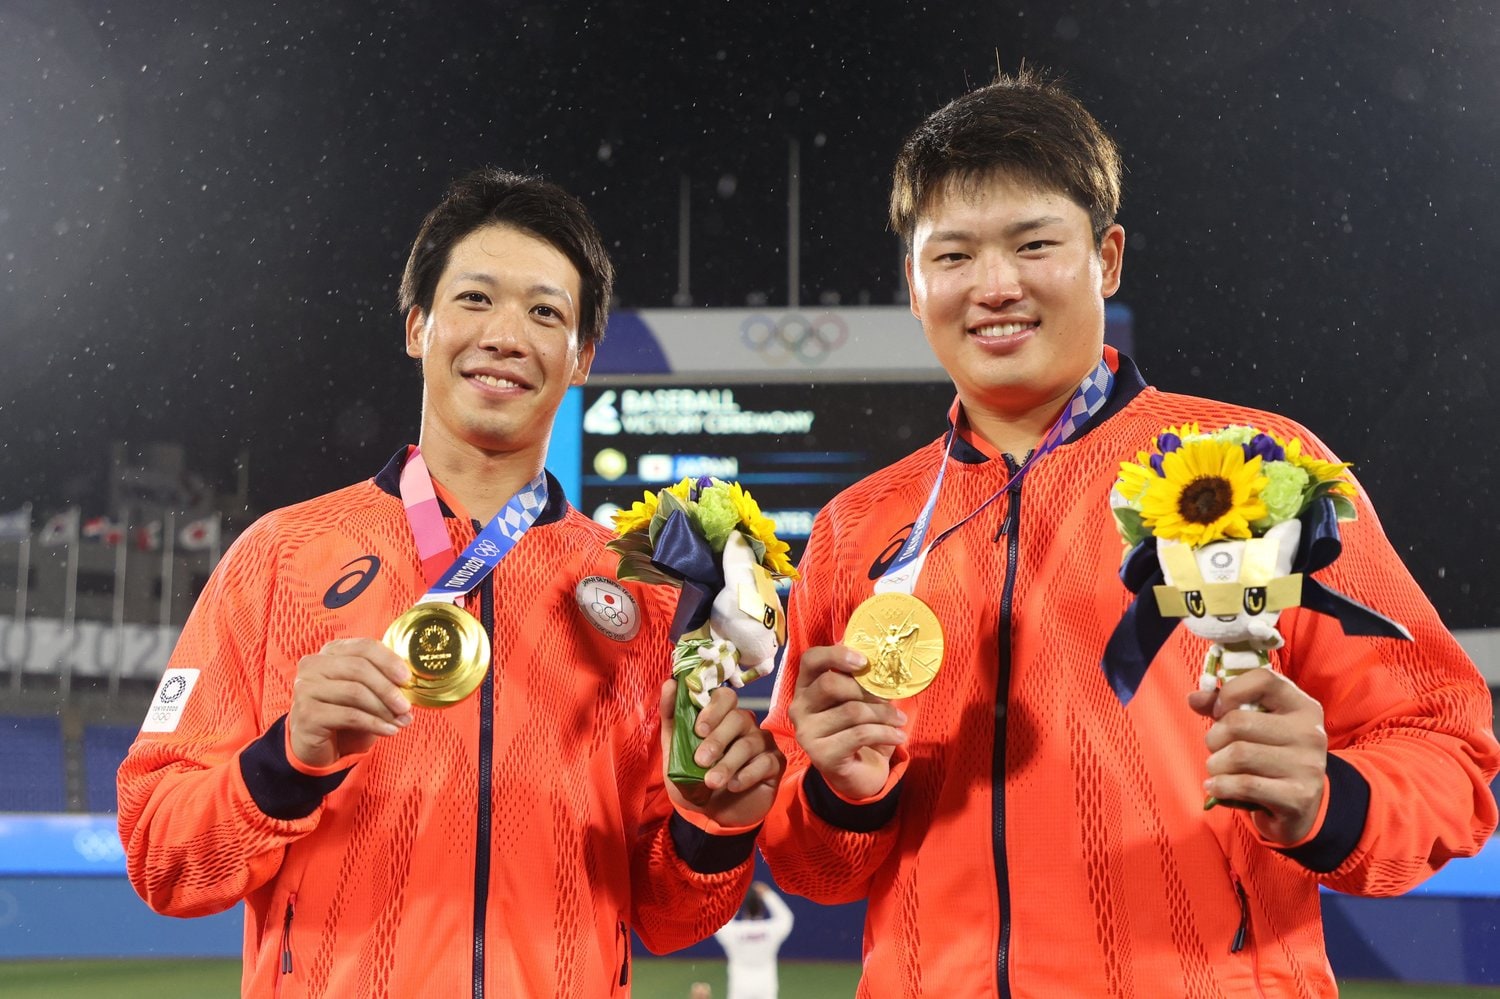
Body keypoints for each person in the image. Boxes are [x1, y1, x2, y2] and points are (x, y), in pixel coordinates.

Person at [756, 68, 1500, 997]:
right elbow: (812, 864)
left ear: (1107, 258)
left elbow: (1447, 744)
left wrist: (1330, 798)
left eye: (1034, 245)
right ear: (913, 285)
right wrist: (839, 795)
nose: (993, 286)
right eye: (950, 257)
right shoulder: (853, 530)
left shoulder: (1263, 469)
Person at [116, 167, 784, 997]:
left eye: (545, 312)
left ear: (580, 359)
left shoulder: (643, 592)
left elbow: (667, 913)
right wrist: (287, 759)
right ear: (417, 327)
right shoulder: (282, 555)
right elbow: (160, 856)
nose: (506, 335)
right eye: (475, 299)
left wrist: (718, 826)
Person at [712, 881, 795, 999]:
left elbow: (719, 922)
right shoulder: (771, 929)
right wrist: (768, 895)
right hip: (766, 985)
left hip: (740, 985)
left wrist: (736, 899)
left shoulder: (733, 931)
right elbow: (786, 918)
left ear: (744, 907)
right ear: (761, 907)